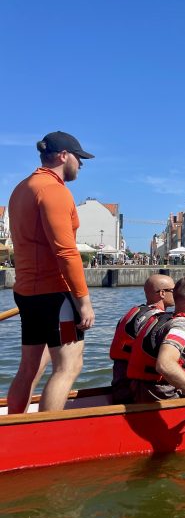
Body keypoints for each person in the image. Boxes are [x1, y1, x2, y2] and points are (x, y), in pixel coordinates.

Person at [7, 132, 96, 413]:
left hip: (27, 292)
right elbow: (66, 251)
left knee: (30, 366)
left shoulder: (22, 188)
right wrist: (83, 301)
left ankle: (13, 428)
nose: (81, 165)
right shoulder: (54, 190)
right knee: (69, 365)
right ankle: (43, 434)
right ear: (63, 156)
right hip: (55, 295)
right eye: (79, 158)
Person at [109, 274, 176, 404]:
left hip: (120, 386)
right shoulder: (158, 320)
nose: (176, 294)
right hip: (140, 391)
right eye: (173, 290)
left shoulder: (131, 314)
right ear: (162, 293)